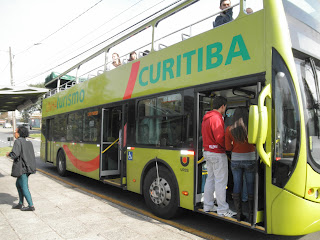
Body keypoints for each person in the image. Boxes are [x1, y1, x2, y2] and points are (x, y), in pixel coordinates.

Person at [201, 96, 236, 217]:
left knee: (210, 179)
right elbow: (220, 138)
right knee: (221, 182)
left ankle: (208, 205)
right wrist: (229, 146)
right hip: (217, 153)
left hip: (207, 152)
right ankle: (223, 209)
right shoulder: (217, 118)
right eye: (225, 107)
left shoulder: (206, 118)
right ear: (223, 106)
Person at [225, 107, 256, 222]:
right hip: (250, 159)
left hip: (235, 160)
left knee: (237, 184)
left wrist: (235, 146)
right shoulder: (251, 128)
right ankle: (252, 215)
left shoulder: (229, 129)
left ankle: (239, 214)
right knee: (250, 186)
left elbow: (228, 147)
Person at [6, 126, 36, 211]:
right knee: (18, 184)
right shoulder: (29, 142)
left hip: (22, 168)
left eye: (15, 131)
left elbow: (15, 154)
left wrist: (9, 154)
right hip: (29, 167)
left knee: (24, 186)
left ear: (19, 133)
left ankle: (31, 206)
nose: (14, 133)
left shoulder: (18, 141)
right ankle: (20, 203)